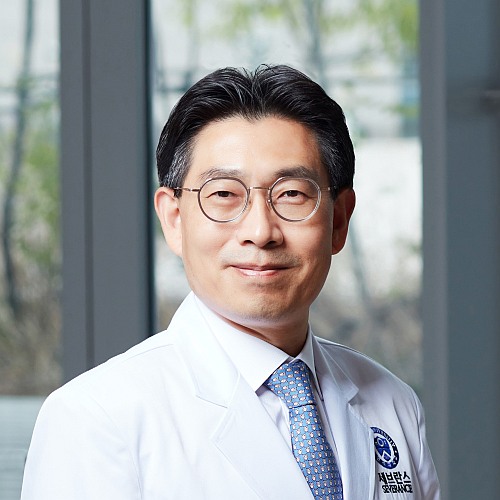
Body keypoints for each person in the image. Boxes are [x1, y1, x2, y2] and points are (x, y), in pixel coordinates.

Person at [21, 65, 440, 499]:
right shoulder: (96, 419)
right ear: (174, 219)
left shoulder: (393, 403)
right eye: (224, 194)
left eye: (292, 194)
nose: (260, 231)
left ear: (338, 220)